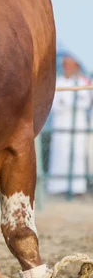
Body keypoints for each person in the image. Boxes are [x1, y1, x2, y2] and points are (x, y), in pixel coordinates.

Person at [47, 56, 92, 195]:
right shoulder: (58, 82)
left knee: (77, 155)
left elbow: (85, 102)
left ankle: (77, 188)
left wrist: (67, 102)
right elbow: (54, 104)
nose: (68, 68)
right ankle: (57, 187)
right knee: (60, 154)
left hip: (78, 124)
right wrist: (69, 103)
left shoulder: (82, 82)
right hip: (60, 123)